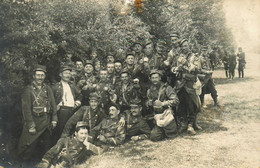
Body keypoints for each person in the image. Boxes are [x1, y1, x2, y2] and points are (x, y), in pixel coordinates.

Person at [17, 65, 57, 164]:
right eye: (38, 75)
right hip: (34, 123)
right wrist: (31, 125)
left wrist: (54, 119)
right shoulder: (28, 90)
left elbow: (53, 104)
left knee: (47, 147)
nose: (40, 78)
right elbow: (26, 110)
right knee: (28, 147)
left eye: (42, 75)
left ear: (44, 76)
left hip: (46, 122)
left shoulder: (47, 88)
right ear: (34, 76)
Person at [37, 121, 103, 168]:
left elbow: (100, 152)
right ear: (76, 133)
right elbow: (49, 155)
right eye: (81, 133)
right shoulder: (65, 141)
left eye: (86, 133)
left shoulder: (86, 146)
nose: (84, 136)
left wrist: (88, 144)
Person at [171, 39, 202, 135]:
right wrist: (176, 69)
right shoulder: (178, 57)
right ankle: (183, 124)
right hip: (180, 84)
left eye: (186, 45)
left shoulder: (194, 57)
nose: (184, 48)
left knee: (192, 104)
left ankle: (191, 125)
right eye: (182, 46)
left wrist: (187, 64)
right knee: (181, 105)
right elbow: (172, 68)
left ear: (189, 46)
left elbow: (198, 69)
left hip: (190, 84)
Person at [51, 65, 82, 144]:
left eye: (69, 73)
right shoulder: (55, 87)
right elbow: (51, 99)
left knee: (71, 131)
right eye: (65, 73)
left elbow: (80, 95)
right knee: (60, 132)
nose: (68, 75)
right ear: (60, 75)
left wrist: (77, 103)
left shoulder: (72, 85)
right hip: (61, 112)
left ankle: (68, 150)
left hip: (71, 111)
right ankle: (56, 150)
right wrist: (55, 107)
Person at [146, 70, 179, 141]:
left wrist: (163, 103)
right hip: (157, 115)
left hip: (167, 114)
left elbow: (176, 101)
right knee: (154, 137)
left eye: (156, 77)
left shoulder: (167, 88)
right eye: (152, 78)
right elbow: (148, 102)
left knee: (171, 135)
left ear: (160, 78)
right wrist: (150, 103)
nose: (154, 80)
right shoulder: (150, 90)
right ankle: (160, 129)